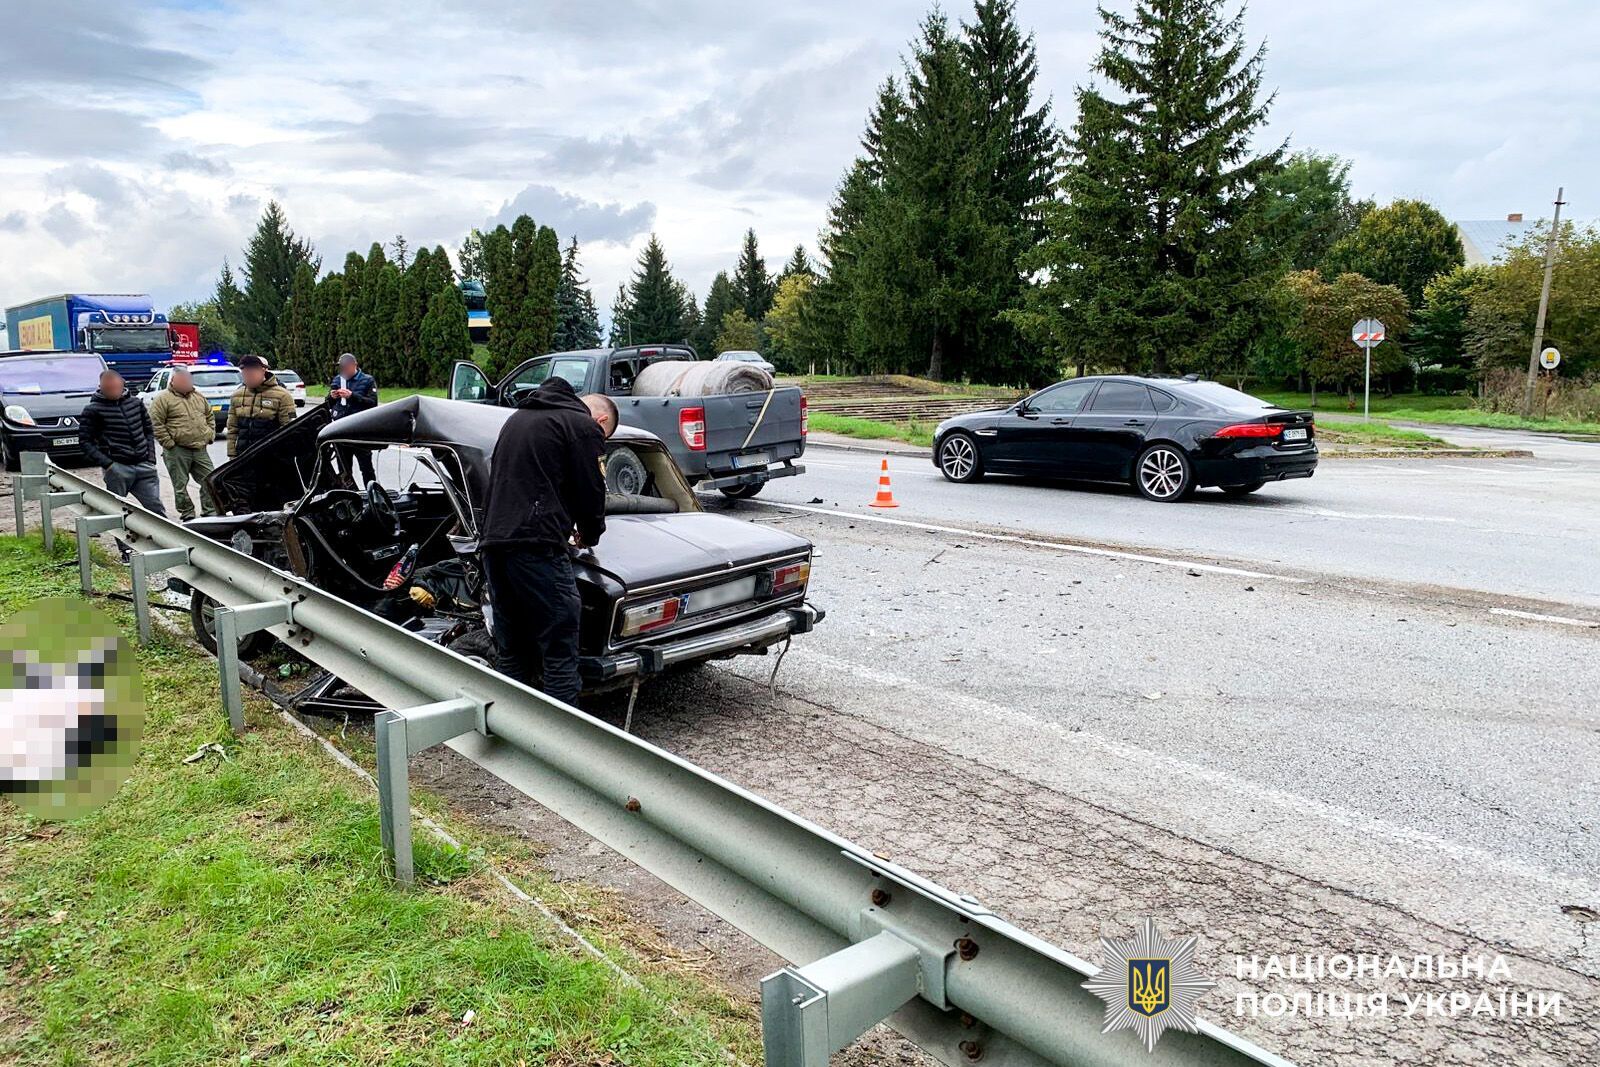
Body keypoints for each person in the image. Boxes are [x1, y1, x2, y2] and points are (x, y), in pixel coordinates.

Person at [478, 377, 618, 705]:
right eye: (604, 437)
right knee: (559, 647)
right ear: (600, 422)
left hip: (494, 545)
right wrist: (590, 533)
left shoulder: (518, 418)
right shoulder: (582, 426)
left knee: (512, 647)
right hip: (536, 546)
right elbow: (591, 490)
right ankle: (561, 740)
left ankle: (512, 725)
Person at [79, 370, 166, 516]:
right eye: (109, 388)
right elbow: (85, 442)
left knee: (156, 510)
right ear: (101, 388)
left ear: (122, 384)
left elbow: (149, 431)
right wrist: (109, 464)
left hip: (144, 465)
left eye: (116, 387)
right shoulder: (92, 410)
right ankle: (122, 539)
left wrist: (150, 458)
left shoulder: (136, 403)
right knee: (116, 512)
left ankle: (163, 539)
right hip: (118, 468)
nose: (114, 391)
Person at [148, 366, 217, 521]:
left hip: (200, 448)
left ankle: (210, 510)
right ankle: (187, 513)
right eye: (182, 381)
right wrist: (168, 443)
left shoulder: (198, 396)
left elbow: (209, 415)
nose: (186, 384)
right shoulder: (163, 399)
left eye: (188, 381)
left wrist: (209, 434)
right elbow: (155, 423)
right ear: (173, 381)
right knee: (180, 485)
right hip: (177, 449)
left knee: (210, 479)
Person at [225, 355, 296, 458]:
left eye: (251, 374)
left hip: (271, 458)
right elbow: (232, 428)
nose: (248, 379)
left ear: (263, 371)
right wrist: (232, 455)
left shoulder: (282, 396)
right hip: (243, 457)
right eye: (245, 375)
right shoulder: (237, 396)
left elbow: (290, 428)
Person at [327, 352, 378, 483]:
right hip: (341, 429)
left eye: (346, 367)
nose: (343, 370)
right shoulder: (337, 380)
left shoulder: (367, 380)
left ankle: (371, 492)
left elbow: (372, 403)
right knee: (344, 469)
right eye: (341, 367)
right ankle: (348, 496)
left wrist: (352, 396)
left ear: (354, 365)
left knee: (366, 467)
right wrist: (332, 397)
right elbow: (328, 404)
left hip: (359, 430)